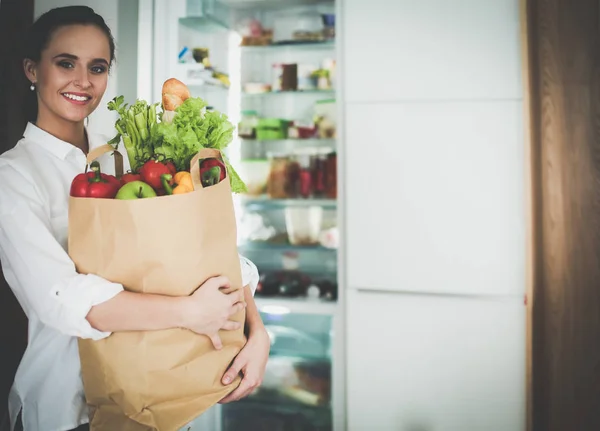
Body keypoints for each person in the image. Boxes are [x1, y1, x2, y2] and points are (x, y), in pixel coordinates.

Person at [0, 6, 269, 431]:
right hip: (68, 408)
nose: (83, 81)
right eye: (65, 63)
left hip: (159, 388)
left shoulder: (125, 158)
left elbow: (205, 249)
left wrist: (258, 332)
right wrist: (189, 312)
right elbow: (62, 299)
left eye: (98, 67)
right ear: (32, 69)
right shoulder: (13, 176)